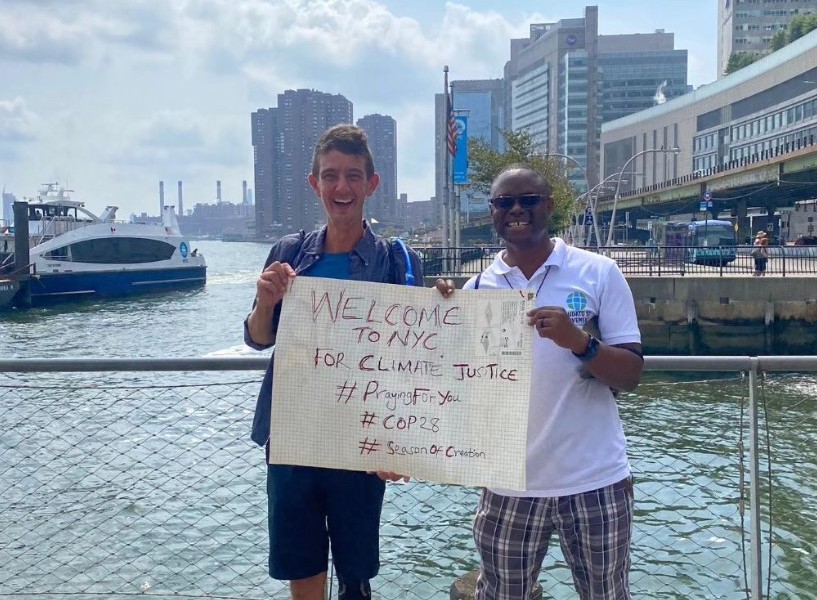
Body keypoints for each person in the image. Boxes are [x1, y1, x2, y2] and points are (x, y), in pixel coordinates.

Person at [440, 164, 644, 600]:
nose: (516, 209)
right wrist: (440, 313)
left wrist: (580, 342)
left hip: (595, 480)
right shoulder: (476, 289)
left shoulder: (599, 272)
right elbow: (455, 384)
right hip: (507, 485)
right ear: (492, 212)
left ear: (549, 206)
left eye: (528, 200)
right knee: (500, 594)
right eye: (504, 202)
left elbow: (631, 374)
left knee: (607, 594)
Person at [244, 124, 424, 600]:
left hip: (360, 437)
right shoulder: (287, 254)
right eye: (330, 176)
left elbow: (417, 353)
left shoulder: (395, 260)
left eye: (352, 176)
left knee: (355, 572)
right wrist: (265, 302)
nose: (341, 187)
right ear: (314, 183)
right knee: (300, 566)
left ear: (371, 183)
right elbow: (259, 340)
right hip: (292, 434)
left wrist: (400, 441)